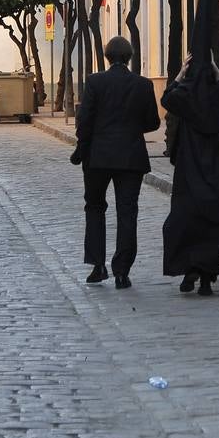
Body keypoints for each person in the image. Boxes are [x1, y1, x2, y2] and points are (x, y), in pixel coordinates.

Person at [160, 0, 219, 297]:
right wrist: (218, 76)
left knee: (186, 219)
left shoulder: (185, 95)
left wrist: (178, 74)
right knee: (211, 222)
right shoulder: (218, 98)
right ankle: (206, 276)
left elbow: (167, 98)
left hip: (189, 169)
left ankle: (189, 271)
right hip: (214, 167)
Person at [71, 35, 160, 289]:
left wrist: (81, 148)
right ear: (129, 58)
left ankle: (98, 265)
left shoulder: (95, 82)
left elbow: (84, 120)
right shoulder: (143, 85)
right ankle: (122, 271)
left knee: (95, 207)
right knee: (127, 212)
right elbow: (152, 122)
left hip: (98, 156)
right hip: (131, 157)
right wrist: (131, 128)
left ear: (107, 57)